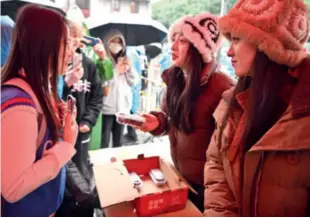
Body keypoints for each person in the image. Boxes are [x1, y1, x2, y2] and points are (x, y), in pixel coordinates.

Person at [204, 0, 310, 216]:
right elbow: (216, 163)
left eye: (236, 39)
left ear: (268, 45)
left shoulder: (303, 114)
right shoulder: (234, 101)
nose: (228, 52)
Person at [125, 12, 235, 212]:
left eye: (182, 40)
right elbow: (175, 124)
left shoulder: (222, 87)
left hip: (210, 189)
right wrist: (158, 123)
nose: (173, 46)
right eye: (172, 39)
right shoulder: (175, 81)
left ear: (198, 48)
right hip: (180, 177)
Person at [1, 5, 78, 216]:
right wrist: (67, 144)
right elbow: (13, 188)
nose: (72, 51)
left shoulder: (36, 90)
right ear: (45, 45)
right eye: (66, 43)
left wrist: (57, 128)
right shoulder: (20, 106)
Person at [63, 13, 103, 183]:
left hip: (82, 129)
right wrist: (66, 82)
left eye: (79, 38)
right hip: (61, 132)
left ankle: (83, 204)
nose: (76, 43)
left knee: (81, 170)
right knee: (63, 170)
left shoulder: (90, 65)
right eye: (72, 38)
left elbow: (97, 97)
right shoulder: (58, 65)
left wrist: (88, 120)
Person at [101, 29, 139, 148]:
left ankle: (117, 166)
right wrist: (115, 71)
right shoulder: (103, 61)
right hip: (106, 108)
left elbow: (133, 81)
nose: (117, 45)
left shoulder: (125, 59)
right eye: (114, 41)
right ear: (107, 43)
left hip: (122, 108)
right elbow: (102, 83)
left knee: (118, 142)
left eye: (120, 42)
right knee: (104, 141)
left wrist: (129, 67)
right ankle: (103, 165)